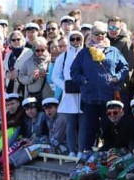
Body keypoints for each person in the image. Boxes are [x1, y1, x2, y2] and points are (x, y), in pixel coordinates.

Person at [70, 21, 129, 154]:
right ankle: (86, 153)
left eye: (103, 33)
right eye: (97, 34)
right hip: (89, 97)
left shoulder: (113, 51)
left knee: (108, 126)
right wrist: (83, 80)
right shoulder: (84, 52)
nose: (100, 36)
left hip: (108, 96)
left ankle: (110, 152)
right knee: (89, 127)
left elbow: (125, 68)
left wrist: (117, 77)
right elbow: (74, 71)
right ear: (91, 35)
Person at [53, 30, 85, 157]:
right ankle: (72, 151)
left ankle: (81, 151)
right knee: (70, 124)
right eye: (73, 39)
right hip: (69, 95)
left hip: (84, 94)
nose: (76, 41)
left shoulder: (87, 54)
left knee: (83, 125)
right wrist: (65, 86)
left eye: (78, 39)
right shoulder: (63, 56)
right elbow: (55, 76)